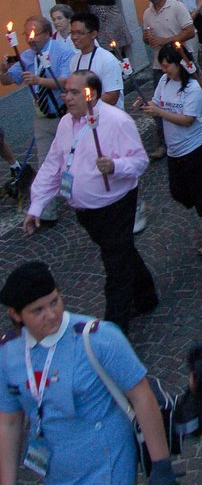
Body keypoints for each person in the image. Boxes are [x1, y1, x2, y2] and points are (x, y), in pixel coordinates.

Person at [0, 262, 178, 485]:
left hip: (106, 461)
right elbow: (10, 422)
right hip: (59, 472)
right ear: (16, 315)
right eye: (37, 310)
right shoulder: (8, 356)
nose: (52, 314)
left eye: (54, 301)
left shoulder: (97, 338)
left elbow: (142, 396)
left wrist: (160, 462)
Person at [22, 71, 158, 333]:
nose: (67, 97)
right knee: (121, 250)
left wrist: (115, 165)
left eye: (74, 92)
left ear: (91, 95)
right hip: (86, 210)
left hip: (115, 205)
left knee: (115, 265)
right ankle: (146, 296)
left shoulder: (117, 121)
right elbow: (53, 165)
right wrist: (36, 205)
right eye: (66, 92)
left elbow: (140, 161)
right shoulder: (65, 123)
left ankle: (113, 330)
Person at [140, 44, 202, 256]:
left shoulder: (193, 88)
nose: (165, 70)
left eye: (168, 66)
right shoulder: (164, 81)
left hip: (195, 147)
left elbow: (187, 120)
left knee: (199, 190)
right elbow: (157, 103)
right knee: (177, 191)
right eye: (163, 66)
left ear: (179, 65)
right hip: (174, 150)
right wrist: (146, 104)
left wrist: (159, 112)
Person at [0, 17, 74, 224]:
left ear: (46, 34)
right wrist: (3, 70)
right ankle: (47, 212)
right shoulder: (26, 56)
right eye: (26, 34)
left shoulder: (62, 51)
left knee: (72, 160)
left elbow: (66, 81)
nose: (30, 39)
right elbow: (8, 80)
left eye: (34, 34)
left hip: (64, 115)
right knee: (45, 165)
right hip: (43, 118)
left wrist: (39, 80)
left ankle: (76, 196)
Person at [140, 0, 194, 160]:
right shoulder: (147, 13)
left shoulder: (177, 7)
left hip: (180, 59)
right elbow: (147, 37)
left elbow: (189, 32)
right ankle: (164, 141)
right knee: (160, 101)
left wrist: (165, 41)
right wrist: (147, 39)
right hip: (158, 63)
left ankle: (192, 131)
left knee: (189, 96)